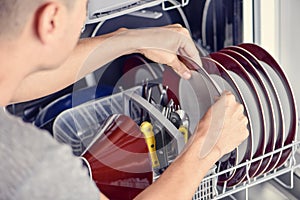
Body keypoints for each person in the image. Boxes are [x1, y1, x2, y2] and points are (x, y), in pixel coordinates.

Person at [0, 0, 249, 199]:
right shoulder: (31, 165)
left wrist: (131, 39)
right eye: (84, 7)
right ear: (51, 20)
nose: (84, 20)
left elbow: (23, 82)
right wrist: (209, 146)